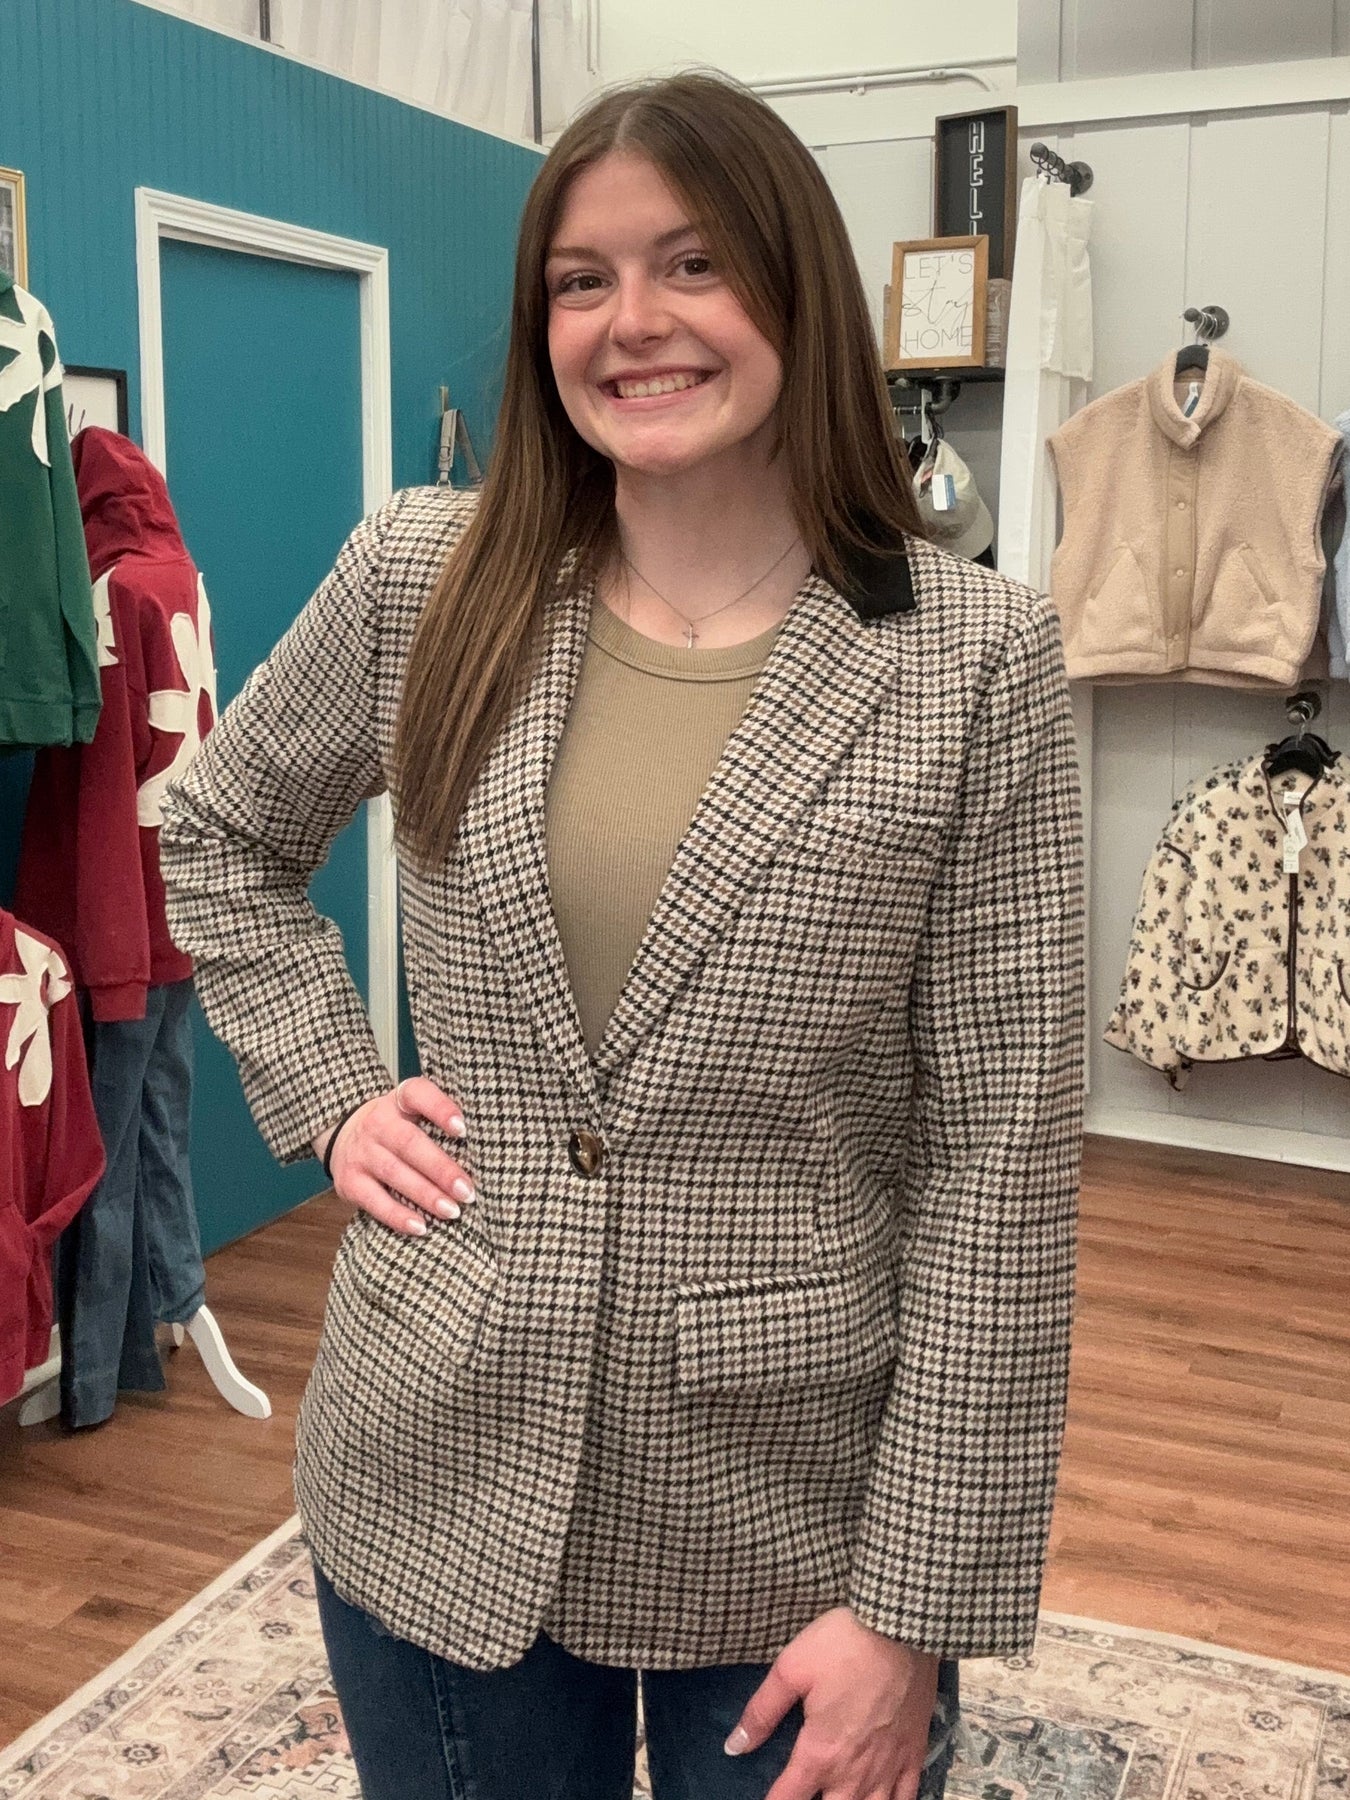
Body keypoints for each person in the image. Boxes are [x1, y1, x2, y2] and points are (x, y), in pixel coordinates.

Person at [160, 70, 1084, 1800]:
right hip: (434, 1456)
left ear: (797, 294)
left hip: (789, 1506)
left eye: (693, 263)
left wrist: (911, 1606)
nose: (631, 322)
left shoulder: (971, 663)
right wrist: (335, 1088)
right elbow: (216, 831)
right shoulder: (425, 579)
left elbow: (1001, 1159)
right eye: (580, 281)